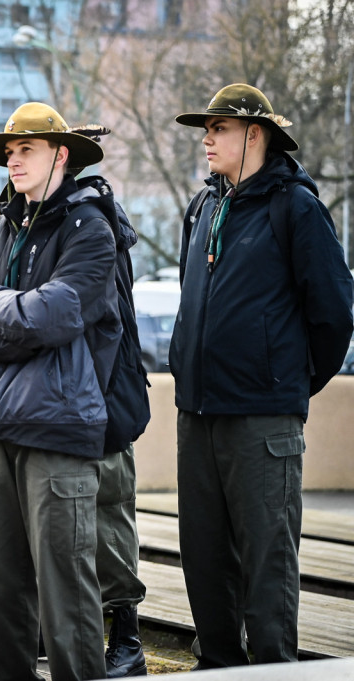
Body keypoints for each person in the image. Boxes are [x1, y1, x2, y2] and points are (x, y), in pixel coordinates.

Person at [171, 84, 354, 668]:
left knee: (267, 563)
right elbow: (189, 295)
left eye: (218, 129)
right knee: (203, 557)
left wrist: (287, 382)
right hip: (197, 413)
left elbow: (334, 311)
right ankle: (217, 668)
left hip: (262, 419)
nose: (206, 139)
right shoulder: (204, 206)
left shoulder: (294, 206)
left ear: (256, 134)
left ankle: (274, 673)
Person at [0, 102, 119, 681]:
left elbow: (55, 315)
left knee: (65, 590)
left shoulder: (90, 228)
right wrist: (6, 323)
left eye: (27, 150)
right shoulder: (3, 229)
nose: (13, 161)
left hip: (57, 429)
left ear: (61, 156)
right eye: (9, 152)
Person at [67, 124, 151, 678]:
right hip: (66, 400)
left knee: (109, 519)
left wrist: (92, 402)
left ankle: (125, 635)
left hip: (103, 398)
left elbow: (107, 328)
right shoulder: (35, 220)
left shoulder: (92, 221)